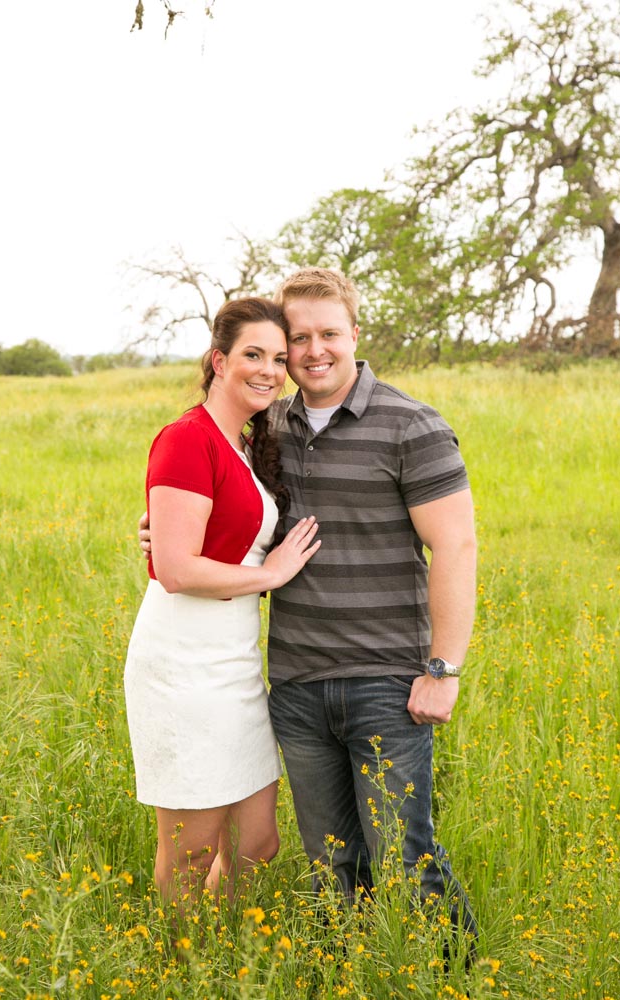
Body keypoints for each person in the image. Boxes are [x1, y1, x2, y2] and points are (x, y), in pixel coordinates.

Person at [139, 269, 477, 941]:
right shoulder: (268, 429)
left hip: (386, 680)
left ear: (355, 333)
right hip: (294, 684)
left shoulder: (411, 425)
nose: (313, 350)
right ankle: (354, 970)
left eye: (329, 333)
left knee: (404, 856)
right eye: (298, 338)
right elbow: (216, 510)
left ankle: (453, 976)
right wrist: (159, 535)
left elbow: (457, 546)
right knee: (330, 862)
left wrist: (442, 669)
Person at [124, 296, 321, 911]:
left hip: (232, 662)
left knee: (257, 843)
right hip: (184, 663)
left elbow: (203, 536)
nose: (268, 369)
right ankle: (181, 960)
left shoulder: (241, 443)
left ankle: (226, 944)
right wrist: (274, 572)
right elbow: (177, 571)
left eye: (278, 359)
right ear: (218, 360)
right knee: (190, 849)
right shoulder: (187, 438)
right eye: (253, 355)